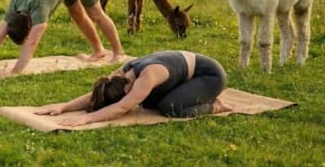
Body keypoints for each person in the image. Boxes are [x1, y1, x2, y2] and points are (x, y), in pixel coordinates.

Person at [34, 50, 232, 125]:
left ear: (127, 91)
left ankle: (213, 105)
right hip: (183, 77)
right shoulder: (122, 74)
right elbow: (99, 93)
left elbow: (121, 107)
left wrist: (86, 118)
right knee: (149, 102)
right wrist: (63, 107)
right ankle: (193, 94)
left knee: (170, 108)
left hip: (210, 76)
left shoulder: (147, 76)